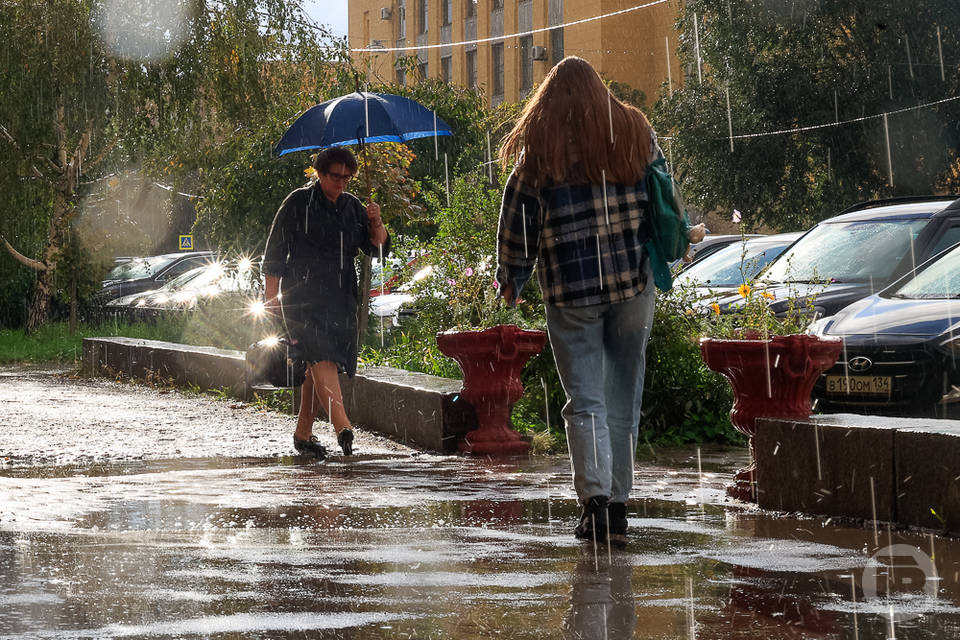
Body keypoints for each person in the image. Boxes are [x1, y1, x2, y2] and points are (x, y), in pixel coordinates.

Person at [495, 56, 703, 544]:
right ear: (598, 90)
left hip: (571, 290)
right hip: (634, 284)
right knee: (623, 396)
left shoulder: (542, 146)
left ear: (550, 97)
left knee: (584, 398)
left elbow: (519, 212)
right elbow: (664, 197)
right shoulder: (633, 130)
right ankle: (620, 504)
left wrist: (513, 275)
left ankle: (595, 506)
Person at [262, 146, 389, 458]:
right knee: (320, 355)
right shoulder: (297, 203)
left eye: (347, 178)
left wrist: (377, 223)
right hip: (302, 297)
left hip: (341, 297)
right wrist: (270, 296)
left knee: (321, 361)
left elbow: (377, 249)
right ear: (319, 173)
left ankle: (303, 433)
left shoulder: (354, 207)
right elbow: (275, 251)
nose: (342, 183)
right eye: (336, 177)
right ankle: (342, 426)